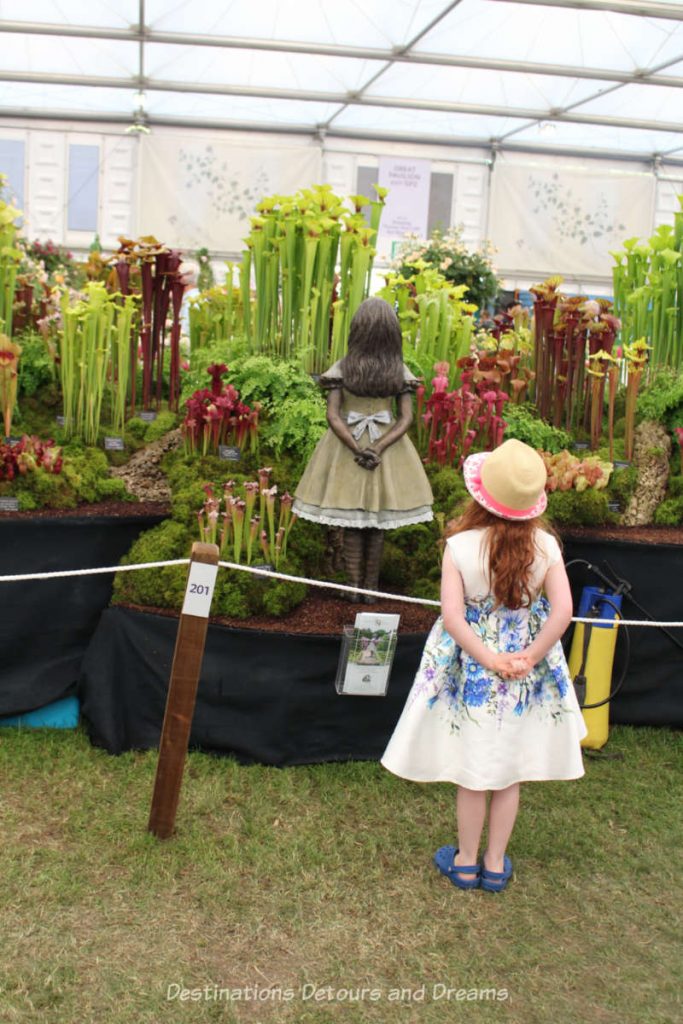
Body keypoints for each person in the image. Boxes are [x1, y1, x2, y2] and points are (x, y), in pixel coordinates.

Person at [381, 438, 587, 892]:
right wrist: (529, 656)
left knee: (474, 773)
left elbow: (453, 618)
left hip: (471, 665)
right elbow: (562, 612)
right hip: (524, 667)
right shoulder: (547, 546)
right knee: (508, 771)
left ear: (481, 495)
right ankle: (495, 865)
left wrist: (489, 658)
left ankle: (466, 860)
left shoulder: (459, 546)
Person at [292, 297, 433, 602]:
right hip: (388, 452)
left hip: (345, 450)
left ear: (357, 330)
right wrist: (379, 447)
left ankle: (355, 587)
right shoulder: (398, 370)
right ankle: (370, 588)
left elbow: (333, 415)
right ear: (391, 333)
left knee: (354, 520)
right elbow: (406, 417)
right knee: (376, 523)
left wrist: (358, 448)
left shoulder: (343, 367)